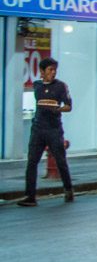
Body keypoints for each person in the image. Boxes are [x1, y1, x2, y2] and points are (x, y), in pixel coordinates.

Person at [18, 57, 74, 206]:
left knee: (61, 161)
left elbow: (69, 106)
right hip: (37, 130)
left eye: (55, 70)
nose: (53, 72)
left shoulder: (61, 86)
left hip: (54, 130)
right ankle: (30, 196)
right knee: (32, 162)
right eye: (50, 70)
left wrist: (59, 109)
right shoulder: (36, 86)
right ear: (42, 71)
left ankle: (68, 189)